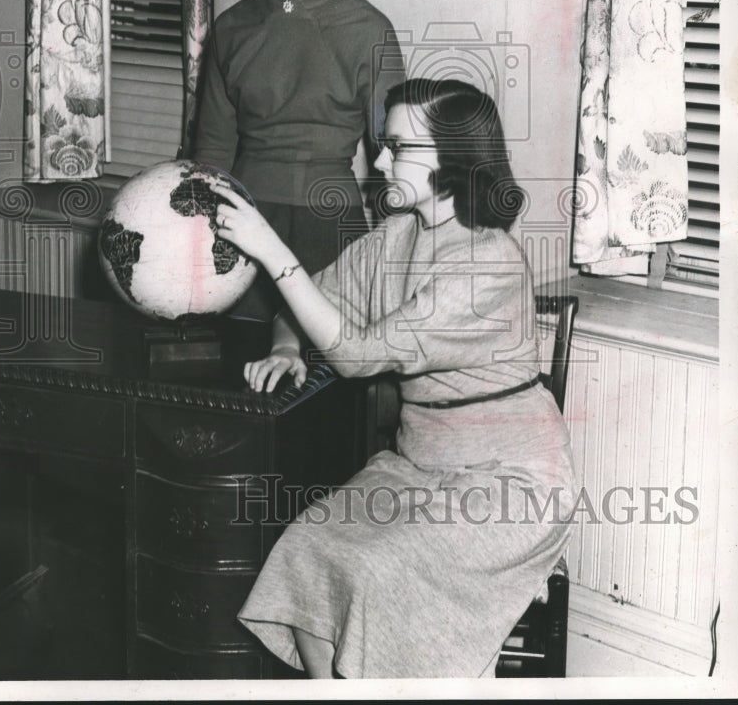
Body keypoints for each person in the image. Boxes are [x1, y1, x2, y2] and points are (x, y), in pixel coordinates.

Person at [212, 78, 578, 679]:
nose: (378, 161)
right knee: (307, 548)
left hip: (511, 484)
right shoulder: (397, 236)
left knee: (374, 572)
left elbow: (354, 355)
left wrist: (272, 249)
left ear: (452, 158)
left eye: (398, 147)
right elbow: (302, 306)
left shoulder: (490, 261)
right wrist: (286, 347)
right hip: (417, 466)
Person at [193, 0, 405, 320]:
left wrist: (396, 261)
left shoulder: (369, 29)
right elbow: (212, 149)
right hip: (242, 220)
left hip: (329, 222)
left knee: (326, 371)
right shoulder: (232, 29)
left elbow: (395, 160)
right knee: (240, 370)